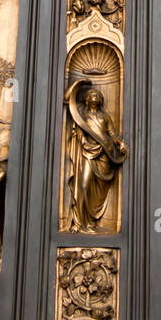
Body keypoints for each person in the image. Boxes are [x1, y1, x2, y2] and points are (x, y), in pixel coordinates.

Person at [65, 80, 128, 232]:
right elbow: (68, 100)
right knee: (84, 185)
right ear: (86, 99)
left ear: (100, 100)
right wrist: (77, 84)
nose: (94, 96)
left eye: (97, 95)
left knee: (99, 190)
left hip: (104, 153)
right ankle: (81, 223)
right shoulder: (81, 112)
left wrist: (120, 143)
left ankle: (92, 221)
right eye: (92, 94)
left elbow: (112, 134)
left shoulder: (105, 116)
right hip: (87, 152)